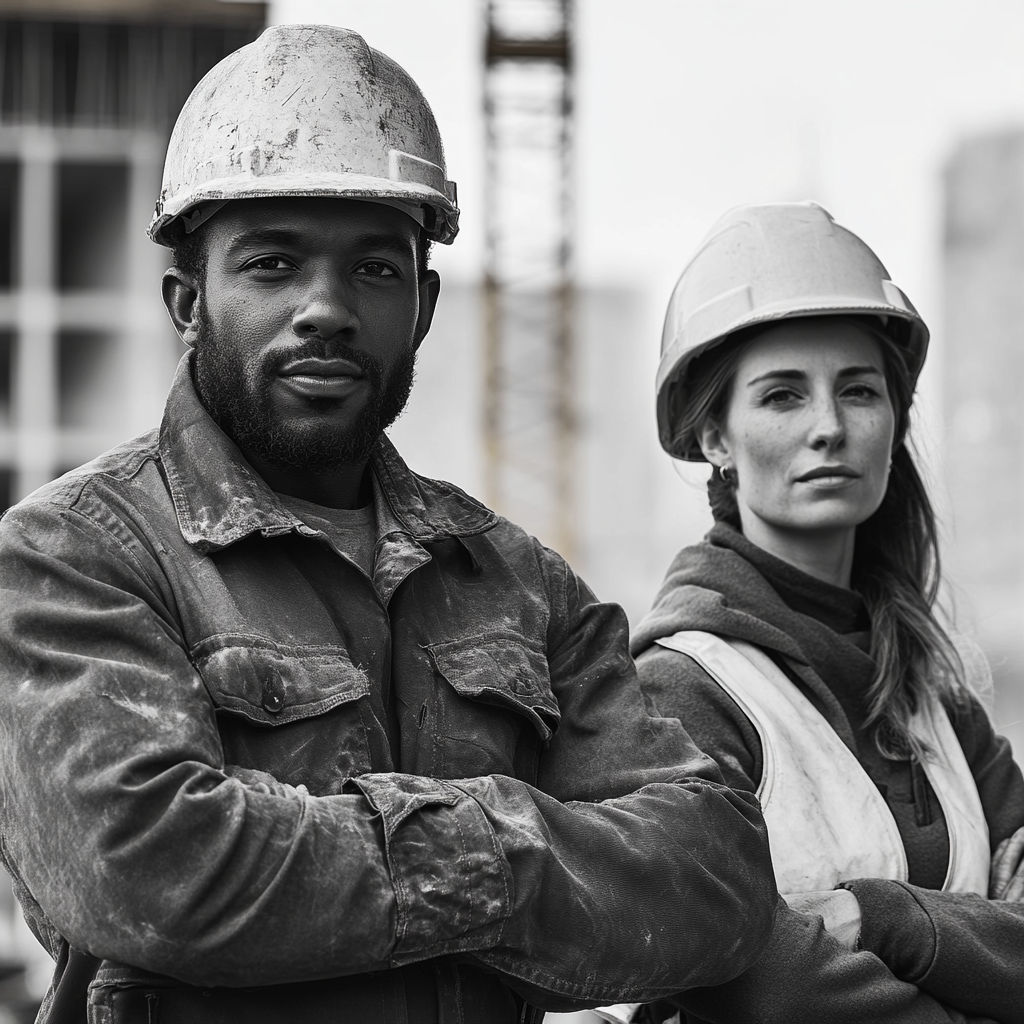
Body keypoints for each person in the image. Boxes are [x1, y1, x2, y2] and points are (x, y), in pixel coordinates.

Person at [0, 26, 777, 1024]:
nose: (324, 307)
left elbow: (712, 880)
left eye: (373, 269)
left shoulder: (519, 584)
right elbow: (153, 872)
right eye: (273, 264)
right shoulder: (72, 558)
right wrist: (515, 846)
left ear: (423, 305)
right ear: (187, 302)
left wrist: (333, 863)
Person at [632, 201, 1024, 1024]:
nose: (830, 428)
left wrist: (888, 920)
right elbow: (760, 986)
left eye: (859, 391)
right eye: (782, 396)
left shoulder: (935, 696)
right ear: (715, 438)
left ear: (894, 422)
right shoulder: (680, 693)